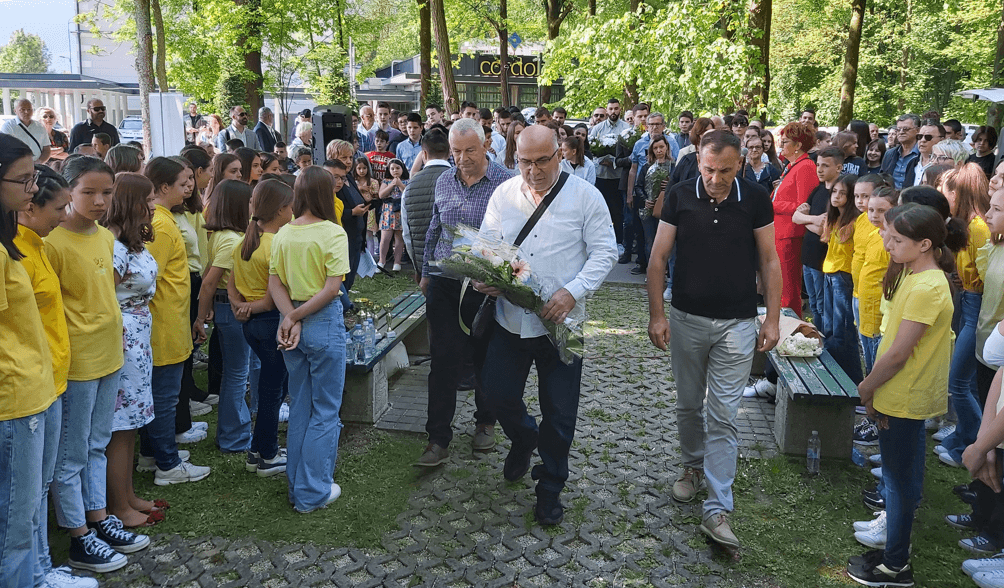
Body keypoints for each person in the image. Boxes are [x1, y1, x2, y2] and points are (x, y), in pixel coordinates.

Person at [474, 124, 617, 525]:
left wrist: (573, 290)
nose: (533, 170)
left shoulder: (586, 196)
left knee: (560, 413)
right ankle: (523, 437)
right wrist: (484, 272)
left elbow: (606, 252)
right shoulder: (503, 194)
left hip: (563, 324)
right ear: (514, 158)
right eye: (524, 162)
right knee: (498, 393)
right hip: (510, 319)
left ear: (561, 154)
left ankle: (550, 485)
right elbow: (487, 243)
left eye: (542, 160)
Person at [647, 130, 780, 548]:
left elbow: (769, 259)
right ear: (698, 161)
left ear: (739, 163)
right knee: (689, 403)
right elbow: (658, 257)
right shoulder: (682, 194)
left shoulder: (756, 197)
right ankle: (690, 466)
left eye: (724, 170)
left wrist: (772, 319)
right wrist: (657, 314)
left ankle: (718, 506)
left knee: (723, 414)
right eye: (708, 169)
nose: (715, 178)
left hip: (738, 324)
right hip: (686, 318)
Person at [46, 156, 150, 571]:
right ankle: (78, 536)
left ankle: (99, 517)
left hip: (111, 354)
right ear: (68, 192)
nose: (99, 201)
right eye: (88, 192)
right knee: (71, 454)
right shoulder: (53, 243)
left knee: (97, 444)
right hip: (77, 362)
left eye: (106, 192)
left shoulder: (107, 239)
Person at [847, 203, 955, 588]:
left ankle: (895, 566)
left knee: (898, 480)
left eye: (896, 239)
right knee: (899, 477)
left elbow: (897, 352)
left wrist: (868, 386)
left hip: (904, 394)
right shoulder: (915, 272)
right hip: (898, 391)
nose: (886, 243)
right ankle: (895, 549)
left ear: (924, 244)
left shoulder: (928, 285)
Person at [13, 163, 98, 588]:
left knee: (39, 486)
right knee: (23, 498)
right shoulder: (17, 250)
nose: (66, 216)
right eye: (59, 207)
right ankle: (37, 572)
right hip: (26, 384)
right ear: (29, 207)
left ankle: (43, 566)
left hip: (51, 378)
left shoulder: (37, 244)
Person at [416, 119, 511, 467]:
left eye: (470, 150)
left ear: (485, 145)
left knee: (485, 355)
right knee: (443, 359)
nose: (462, 158)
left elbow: (514, 238)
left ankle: (486, 422)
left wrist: (502, 280)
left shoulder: (505, 181)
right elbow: (433, 229)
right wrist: (426, 273)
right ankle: (437, 438)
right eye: (456, 151)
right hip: (445, 280)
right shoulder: (443, 180)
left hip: (484, 285)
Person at [0, 136, 64, 586]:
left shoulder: (11, 245)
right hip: (14, 398)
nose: (31, 189)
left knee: (21, 514)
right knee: (14, 526)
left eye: (34, 177)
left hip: (33, 390)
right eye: (24, 179)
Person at [268, 166, 350, 513]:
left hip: (293, 323)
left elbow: (275, 283)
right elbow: (333, 288)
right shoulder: (333, 233)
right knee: (326, 410)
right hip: (320, 322)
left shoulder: (284, 233)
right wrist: (297, 317)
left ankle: (296, 486)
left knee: (301, 404)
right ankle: (312, 490)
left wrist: (290, 316)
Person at [143, 157, 212, 485]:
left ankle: (152, 452)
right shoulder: (159, 222)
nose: (189, 186)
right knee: (164, 396)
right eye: (182, 180)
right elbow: (147, 278)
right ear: (163, 186)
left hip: (172, 317)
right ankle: (167, 464)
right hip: (163, 321)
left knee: (162, 392)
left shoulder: (166, 218)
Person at [99, 172, 159, 530]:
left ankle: (129, 494)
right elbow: (106, 297)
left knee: (131, 423)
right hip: (123, 339)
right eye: (149, 199)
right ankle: (118, 506)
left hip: (138, 337)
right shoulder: (115, 248)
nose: (154, 205)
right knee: (119, 428)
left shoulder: (132, 243)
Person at [230, 179, 293, 477]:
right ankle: (267, 454)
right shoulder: (275, 244)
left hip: (250, 326)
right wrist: (251, 307)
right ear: (282, 210)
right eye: (291, 206)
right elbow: (272, 298)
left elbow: (231, 284)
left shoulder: (246, 241)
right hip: (270, 323)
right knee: (272, 392)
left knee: (272, 389)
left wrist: (239, 306)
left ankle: (257, 449)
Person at [936, 164, 991, 468]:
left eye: (944, 192)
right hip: (969, 301)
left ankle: (974, 446)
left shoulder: (978, 228)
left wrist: (968, 281)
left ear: (957, 194)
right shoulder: (964, 226)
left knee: (958, 381)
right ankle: (962, 438)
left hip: (978, 307)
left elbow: (989, 277)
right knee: (965, 382)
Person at [194, 180, 253, 455]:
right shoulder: (231, 239)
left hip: (224, 308)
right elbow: (210, 281)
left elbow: (207, 276)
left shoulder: (220, 234)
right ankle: (234, 436)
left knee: (236, 372)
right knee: (237, 373)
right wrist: (200, 316)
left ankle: (232, 432)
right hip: (232, 309)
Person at [819, 174, 864, 383]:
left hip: (843, 277)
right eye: (834, 192)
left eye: (842, 193)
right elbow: (825, 238)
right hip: (829, 274)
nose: (836, 196)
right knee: (829, 330)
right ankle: (833, 377)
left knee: (843, 332)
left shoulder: (855, 221)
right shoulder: (834, 217)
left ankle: (853, 382)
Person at [773, 121, 819, 317]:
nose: (781, 146)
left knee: (788, 288)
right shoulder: (793, 166)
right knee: (781, 285)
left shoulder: (806, 166)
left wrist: (773, 204)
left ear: (798, 145)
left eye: (784, 142)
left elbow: (804, 206)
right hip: (782, 233)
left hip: (791, 235)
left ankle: (791, 327)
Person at [401, 128, 450, 278]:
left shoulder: (410, 186)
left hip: (424, 267)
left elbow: (407, 234)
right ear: (449, 153)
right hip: (456, 267)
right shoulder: (459, 180)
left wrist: (417, 267)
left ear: (424, 154)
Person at [1, 98, 51, 162]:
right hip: (17, 167)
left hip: (37, 167)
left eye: (29, 109)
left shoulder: (40, 126)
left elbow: (47, 149)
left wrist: (39, 163)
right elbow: (5, 150)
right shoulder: (8, 127)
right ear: (15, 111)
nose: (26, 112)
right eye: (22, 109)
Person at [881, 114, 921, 189]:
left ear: (917, 130)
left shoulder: (922, 154)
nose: (901, 132)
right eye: (898, 129)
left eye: (905, 129)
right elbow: (882, 177)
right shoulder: (889, 154)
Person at [912, 121, 944, 186]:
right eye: (919, 136)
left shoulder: (943, 164)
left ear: (941, 140)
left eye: (928, 137)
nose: (922, 140)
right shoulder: (912, 163)